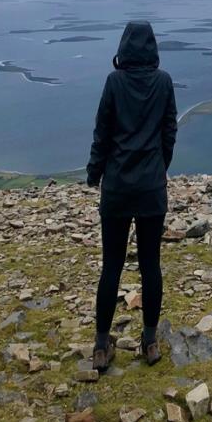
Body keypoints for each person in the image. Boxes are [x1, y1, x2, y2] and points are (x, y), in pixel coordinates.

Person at [86, 21, 177, 372]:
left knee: (111, 265)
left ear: (123, 48)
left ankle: (100, 345)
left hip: (118, 188)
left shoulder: (114, 82)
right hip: (151, 188)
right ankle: (150, 341)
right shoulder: (164, 82)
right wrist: (159, 166)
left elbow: (102, 134)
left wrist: (95, 174)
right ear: (152, 47)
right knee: (150, 265)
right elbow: (169, 131)